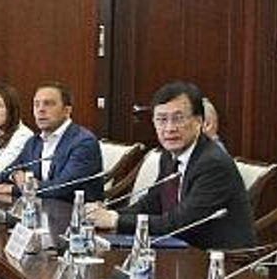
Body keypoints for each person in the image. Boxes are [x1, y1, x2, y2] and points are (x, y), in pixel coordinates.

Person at [89, 81, 254, 249]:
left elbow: (181, 223)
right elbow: (151, 204)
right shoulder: (169, 155)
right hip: (181, 249)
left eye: (178, 118)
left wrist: (116, 220)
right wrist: (107, 215)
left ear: (199, 121)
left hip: (219, 257)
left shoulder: (213, 164)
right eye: (161, 120)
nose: (169, 128)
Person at [0, 83, 103, 202]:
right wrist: (15, 175)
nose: (40, 110)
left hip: (73, 211)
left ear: (67, 111)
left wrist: (14, 189)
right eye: (36, 104)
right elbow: (1, 176)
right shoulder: (34, 143)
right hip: (39, 209)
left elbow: (60, 189)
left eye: (48, 104)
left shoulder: (83, 142)